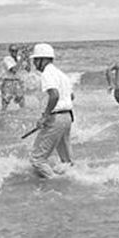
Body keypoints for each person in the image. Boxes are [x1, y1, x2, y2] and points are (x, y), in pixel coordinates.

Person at [29, 44, 74, 178]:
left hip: (56, 118)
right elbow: (71, 96)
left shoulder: (47, 74)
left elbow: (54, 95)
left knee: (37, 160)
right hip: (67, 117)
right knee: (66, 161)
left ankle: (55, 182)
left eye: (35, 60)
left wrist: (45, 116)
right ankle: (72, 182)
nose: (34, 63)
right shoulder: (61, 74)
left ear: (42, 60)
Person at [1, 44, 26, 111]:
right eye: (12, 50)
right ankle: (3, 115)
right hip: (8, 82)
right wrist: (22, 59)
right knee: (6, 101)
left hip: (18, 81)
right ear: (9, 51)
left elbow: (28, 69)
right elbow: (14, 70)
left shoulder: (19, 58)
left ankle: (22, 114)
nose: (14, 52)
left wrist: (27, 57)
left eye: (16, 50)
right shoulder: (7, 59)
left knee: (21, 100)